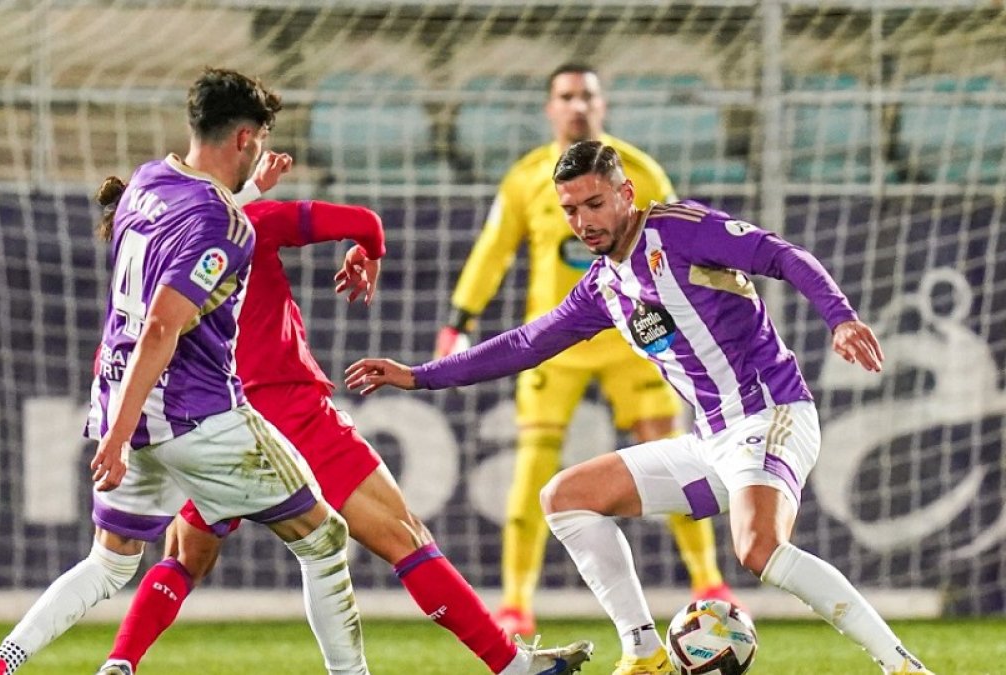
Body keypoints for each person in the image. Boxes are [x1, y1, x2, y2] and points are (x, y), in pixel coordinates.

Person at [346, 142, 934, 675]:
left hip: (771, 413)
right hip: (712, 441)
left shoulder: (681, 230)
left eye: (594, 204)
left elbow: (782, 255)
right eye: (571, 211)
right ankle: (643, 650)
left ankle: (900, 665)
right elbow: (527, 344)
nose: (583, 222)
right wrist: (419, 376)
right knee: (565, 498)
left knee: (757, 549)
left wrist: (841, 317)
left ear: (627, 194)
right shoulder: (603, 287)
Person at [0, 67, 369, 675]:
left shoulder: (149, 181)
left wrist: (120, 430)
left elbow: (193, 224)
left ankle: (1, 662)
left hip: (120, 399)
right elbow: (162, 324)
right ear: (245, 138)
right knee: (324, 540)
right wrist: (121, 436)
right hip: (197, 416)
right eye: (257, 138)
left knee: (111, 561)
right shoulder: (224, 225)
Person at [94, 195, 595, 675]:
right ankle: (510, 665)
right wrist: (368, 253)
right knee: (404, 537)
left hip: (218, 418)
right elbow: (364, 222)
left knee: (185, 558)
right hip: (290, 409)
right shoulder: (247, 221)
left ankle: (120, 662)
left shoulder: (148, 263)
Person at [434, 63, 732, 637]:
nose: (576, 106)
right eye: (566, 96)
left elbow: (678, 242)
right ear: (550, 108)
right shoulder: (526, 178)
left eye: (586, 96)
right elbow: (492, 251)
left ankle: (709, 581)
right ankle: (517, 600)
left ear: (603, 105)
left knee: (676, 453)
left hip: (637, 339)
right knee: (533, 469)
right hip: (558, 345)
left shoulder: (640, 170)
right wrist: (458, 320)